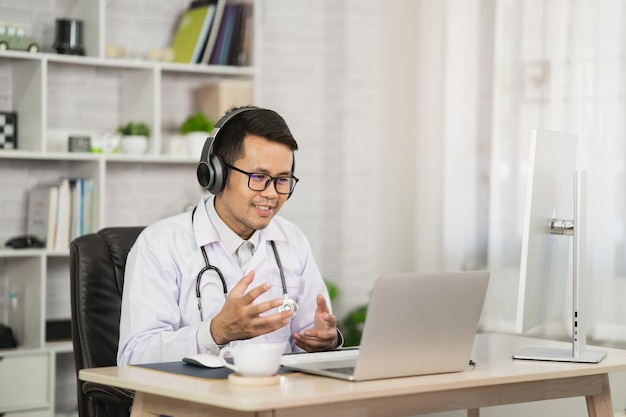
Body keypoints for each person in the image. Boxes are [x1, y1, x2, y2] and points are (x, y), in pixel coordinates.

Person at [117, 106, 341, 365]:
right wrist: (216, 332)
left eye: (283, 180)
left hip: (275, 398)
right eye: (258, 177)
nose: (272, 194)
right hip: (194, 402)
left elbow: (307, 340)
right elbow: (133, 357)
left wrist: (325, 341)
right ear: (217, 174)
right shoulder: (160, 245)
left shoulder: (293, 241)